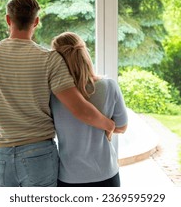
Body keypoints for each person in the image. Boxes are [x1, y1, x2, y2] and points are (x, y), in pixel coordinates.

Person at [0, 0, 115, 187]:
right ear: (36, 21)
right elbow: (80, 109)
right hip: (39, 155)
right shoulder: (49, 59)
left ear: (8, 19)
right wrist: (109, 125)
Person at [51, 32, 128, 187]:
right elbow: (122, 127)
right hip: (106, 174)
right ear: (84, 53)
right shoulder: (109, 86)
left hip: (69, 176)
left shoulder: (53, 94)